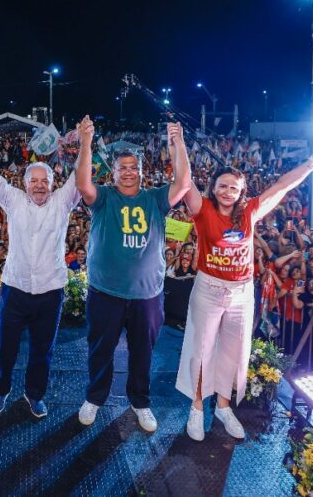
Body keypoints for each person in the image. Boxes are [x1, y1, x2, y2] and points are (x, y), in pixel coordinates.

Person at [172, 124, 313, 441]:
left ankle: (222, 406)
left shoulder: (249, 212)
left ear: (241, 191)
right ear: (214, 187)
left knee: (234, 352)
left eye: (233, 188)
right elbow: (184, 180)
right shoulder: (201, 209)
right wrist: (178, 143)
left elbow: (283, 185)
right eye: (222, 186)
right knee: (201, 349)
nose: (227, 192)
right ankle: (196, 408)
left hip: (242, 292)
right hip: (208, 288)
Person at [74, 117, 188, 432]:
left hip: (147, 295)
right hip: (105, 292)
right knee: (100, 350)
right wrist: (85, 142)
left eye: (132, 167)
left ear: (141, 172)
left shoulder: (155, 199)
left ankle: (140, 401)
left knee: (143, 353)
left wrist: (177, 145)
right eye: (121, 167)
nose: (127, 171)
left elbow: (183, 184)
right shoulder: (105, 198)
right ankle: (95, 398)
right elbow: (83, 183)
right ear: (113, 173)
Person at [0, 121, 81, 419]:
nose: (40, 185)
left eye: (45, 181)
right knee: (6, 346)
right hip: (15, 288)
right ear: (25, 183)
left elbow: (81, 179)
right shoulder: (13, 200)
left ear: (53, 184)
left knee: (42, 351)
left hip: (50, 291)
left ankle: (35, 395)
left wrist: (87, 142)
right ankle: (2, 390)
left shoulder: (63, 203)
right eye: (34, 180)